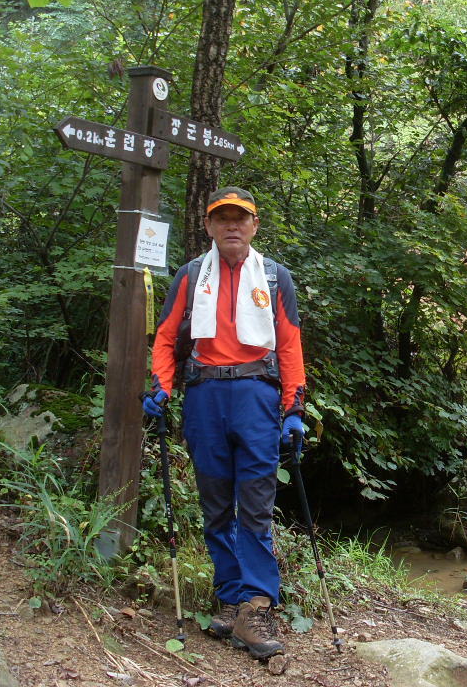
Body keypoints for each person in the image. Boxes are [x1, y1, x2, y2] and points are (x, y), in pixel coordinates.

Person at [142, 186, 306, 660]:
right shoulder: (192, 275)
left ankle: (256, 605)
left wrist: (293, 408)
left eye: (242, 218)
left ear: (254, 226)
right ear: (209, 226)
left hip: (257, 396)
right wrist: (161, 386)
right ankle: (232, 598)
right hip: (205, 397)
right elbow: (168, 335)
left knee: (254, 504)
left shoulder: (275, 277)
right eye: (223, 218)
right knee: (215, 504)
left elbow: (290, 344)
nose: (232, 226)